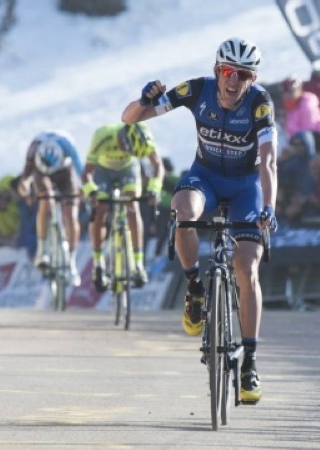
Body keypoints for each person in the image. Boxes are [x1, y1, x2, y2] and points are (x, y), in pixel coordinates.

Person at [121, 37, 278, 404]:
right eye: (227, 71)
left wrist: (269, 206)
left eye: (243, 75)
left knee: (246, 268)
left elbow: (269, 161)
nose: (233, 81)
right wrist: (144, 101)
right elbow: (128, 119)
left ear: (252, 80)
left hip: (246, 187)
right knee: (184, 213)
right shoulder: (195, 90)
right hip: (204, 176)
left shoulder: (260, 104)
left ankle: (250, 362)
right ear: (216, 70)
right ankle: (194, 288)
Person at [81, 122, 163, 290]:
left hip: (128, 169)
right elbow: (87, 173)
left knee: (132, 207)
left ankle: (138, 264)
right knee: (100, 210)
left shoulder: (145, 137)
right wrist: (91, 192)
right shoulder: (102, 135)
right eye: (127, 150)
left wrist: (154, 189)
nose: (126, 153)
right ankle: (98, 263)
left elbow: (157, 166)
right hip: (103, 171)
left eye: (131, 152)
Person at [17, 132, 83, 286]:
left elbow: (81, 171)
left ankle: (71, 262)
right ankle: (42, 250)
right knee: (45, 200)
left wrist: (86, 188)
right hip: (41, 173)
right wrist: (24, 188)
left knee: (71, 213)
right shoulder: (34, 149)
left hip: (65, 171)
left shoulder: (68, 146)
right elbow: (25, 178)